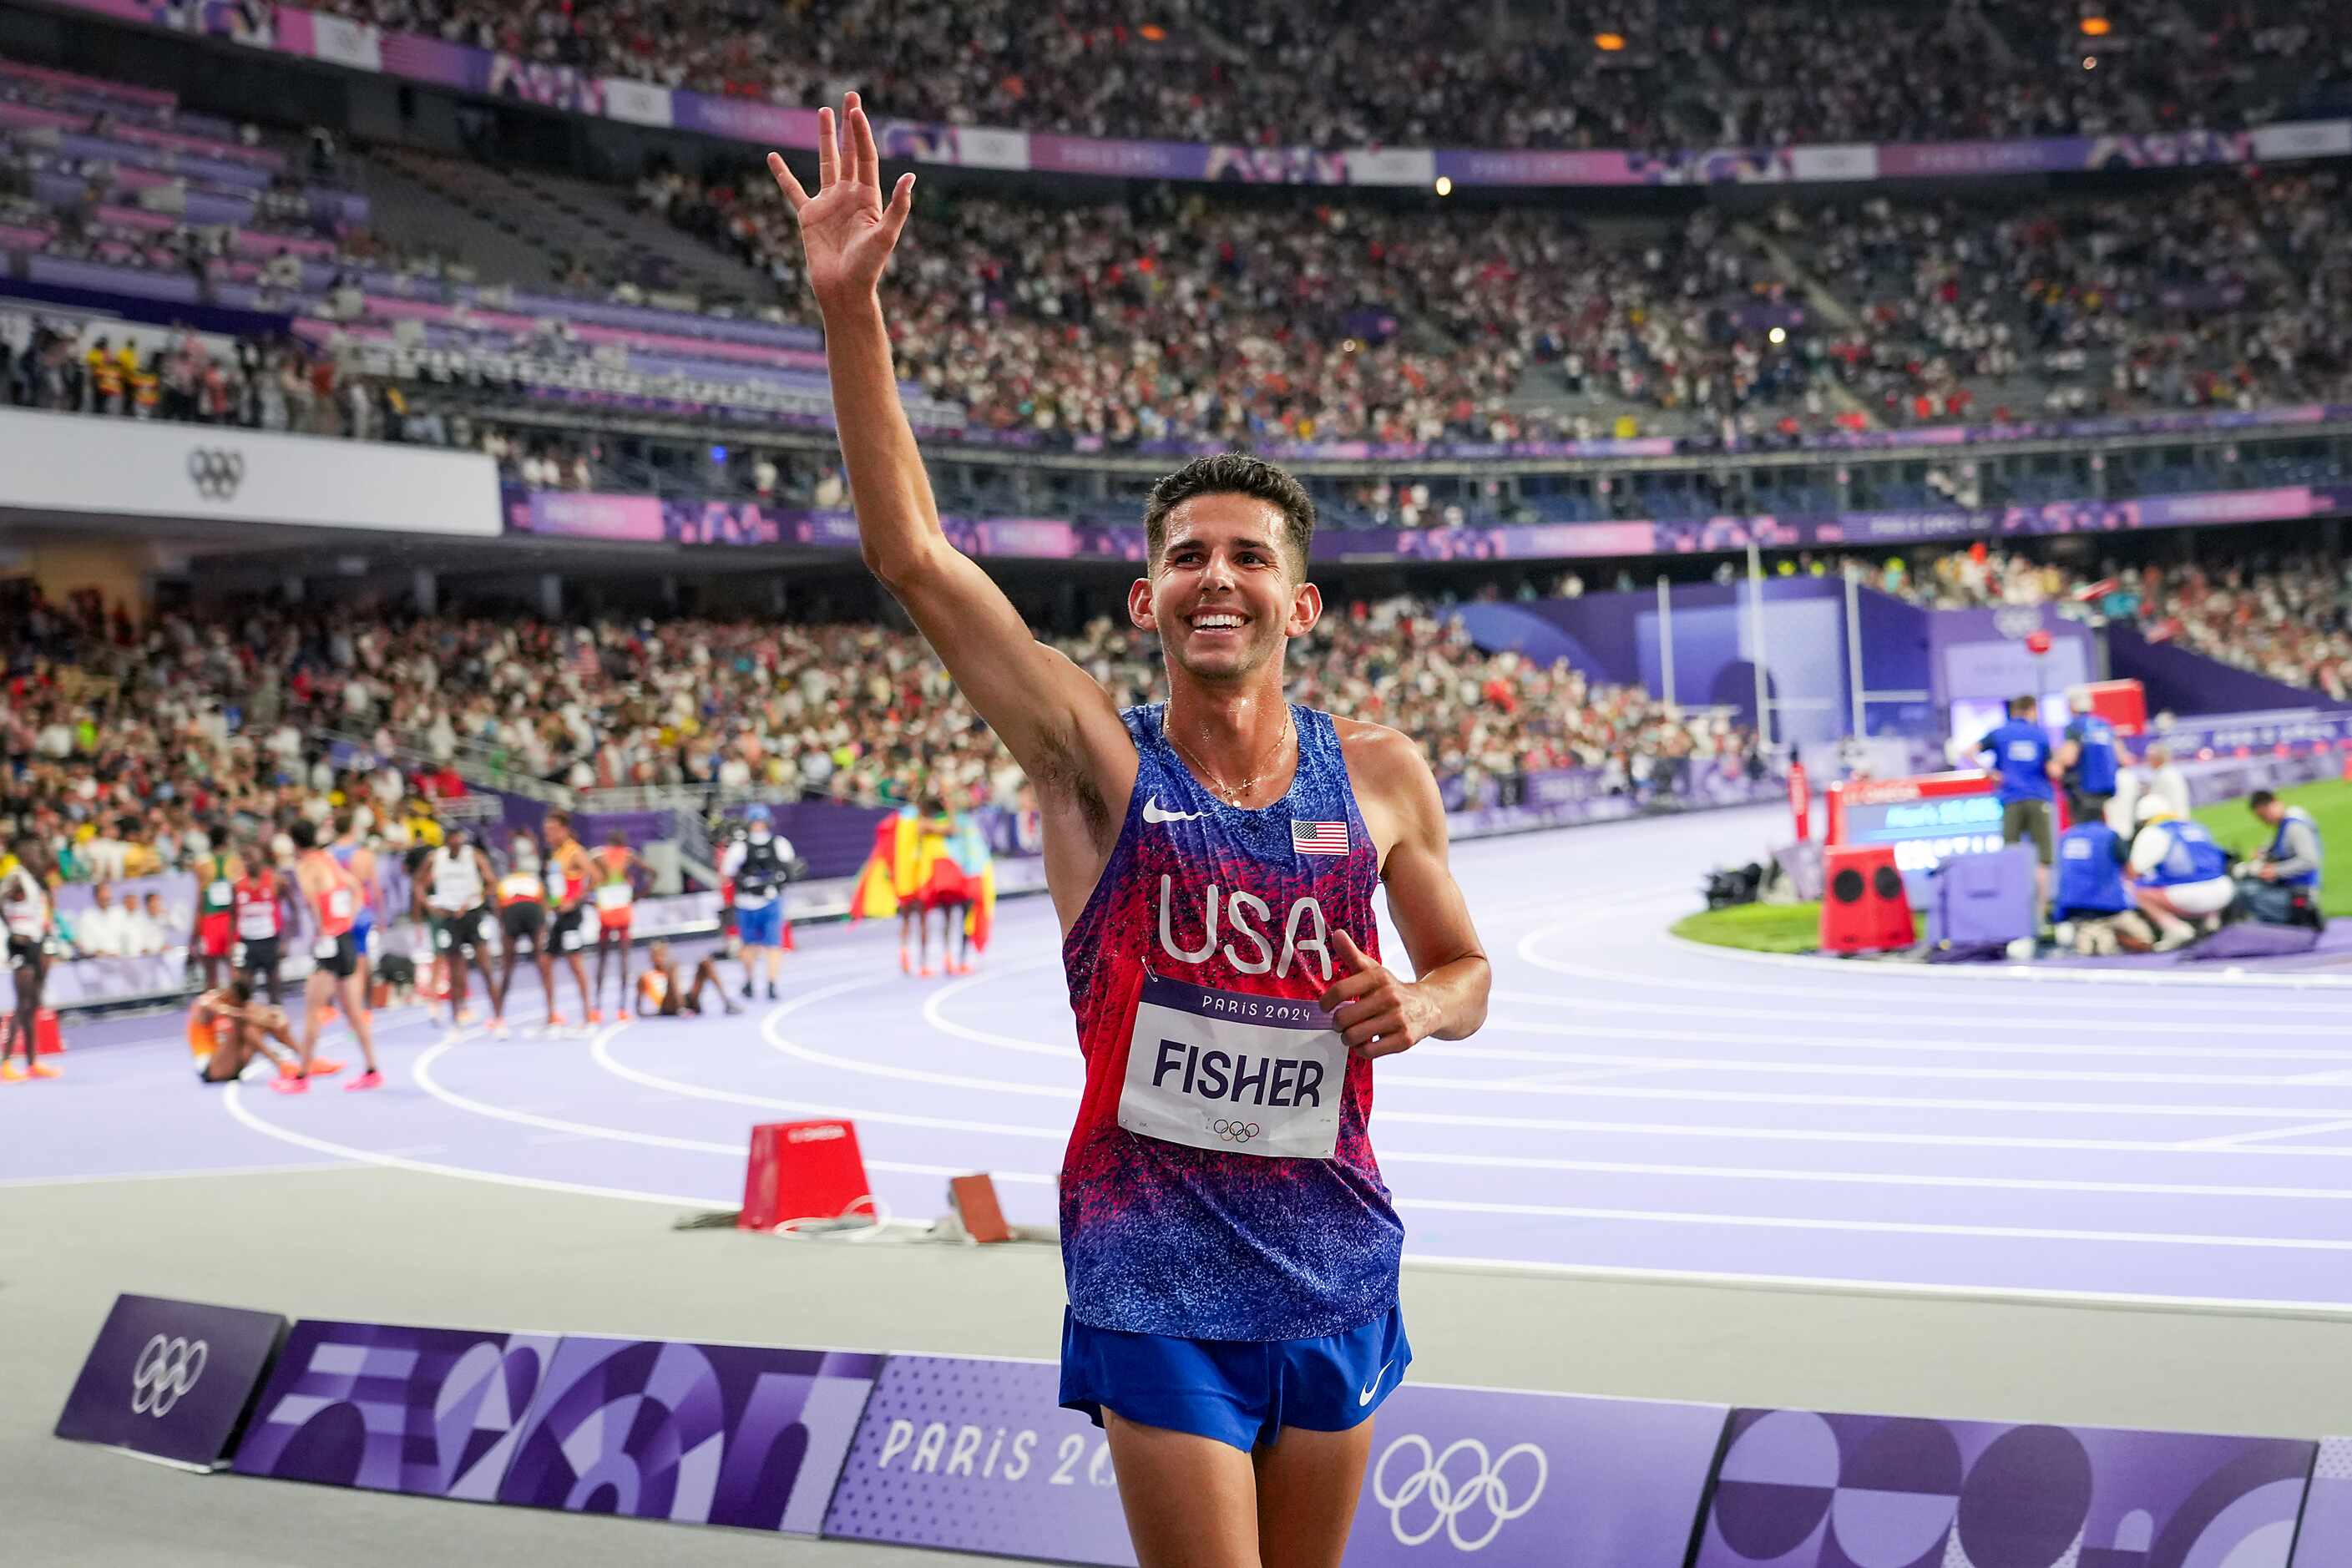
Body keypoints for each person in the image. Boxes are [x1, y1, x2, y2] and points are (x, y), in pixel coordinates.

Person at [771, 101, 1491, 1568]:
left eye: (1246, 557)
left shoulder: (1384, 773)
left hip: (1338, 1257)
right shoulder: (1096, 762)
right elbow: (912, 557)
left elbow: (1469, 965)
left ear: (1299, 605)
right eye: (1184, 557)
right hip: (1152, 1273)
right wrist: (852, 314)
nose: (1212, 576)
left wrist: (1419, 1000)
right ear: (1143, 602)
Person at [278, 819, 381, 1092]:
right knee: (353, 1011)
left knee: (313, 1010)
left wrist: (323, 930)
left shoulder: (306, 867)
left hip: (330, 942)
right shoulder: (329, 858)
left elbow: (312, 901)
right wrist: (348, 917)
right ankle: (372, 1070)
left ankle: (301, 1078)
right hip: (344, 938)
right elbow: (356, 887)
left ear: (295, 844)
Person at [416, 825, 504, 1034]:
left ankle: (498, 1019)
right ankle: (456, 1021)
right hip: (449, 917)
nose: (456, 842)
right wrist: (429, 905)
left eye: (459, 839)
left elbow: (492, 882)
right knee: (455, 974)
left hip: (472, 915)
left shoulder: (473, 855)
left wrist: (476, 899)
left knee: (486, 969)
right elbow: (418, 884)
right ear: (446, 840)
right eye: (452, 839)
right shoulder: (435, 858)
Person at [1975, 694, 2056, 921]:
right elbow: (2051, 769)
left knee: (2011, 856)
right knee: (2043, 858)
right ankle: (2039, 916)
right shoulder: (2039, 735)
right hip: (2037, 799)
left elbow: (1968, 751)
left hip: (2010, 799)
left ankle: (2013, 913)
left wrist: (1992, 773)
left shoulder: (2000, 733)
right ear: (2031, 710)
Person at [2127, 795, 2235, 951]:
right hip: (2224, 890)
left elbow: (2134, 870)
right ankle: (2211, 922)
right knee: (2206, 876)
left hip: (2189, 897)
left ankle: (2176, 929)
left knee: (2135, 889)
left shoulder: (2153, 832)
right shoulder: (2195, 826)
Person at [2050, 809, 2154, 954]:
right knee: (2146, 942)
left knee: (2092, 950)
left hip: (2073, 911)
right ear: (2104, 816)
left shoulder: (2066, 836)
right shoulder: (2109, 835)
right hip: (2109, 910)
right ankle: (2111, 936)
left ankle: (2097, 935)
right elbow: (2131, 872)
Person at [721, 804, 794, 1001]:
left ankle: (758, 982)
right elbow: (789, 872)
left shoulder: (740, 847)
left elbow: (727, 873)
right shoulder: (779, 843)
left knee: (756, 944)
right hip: (761, 900)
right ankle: (764, 982)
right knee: (767, 945)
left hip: (752, 901)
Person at [2, 837, 60, 1082]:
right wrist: (11, 926)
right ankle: (5, 1063)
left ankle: (33, 1062)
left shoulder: (36, 880)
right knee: (23, 1003)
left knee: (34, 1002)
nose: (40, 858)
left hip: (36, 942)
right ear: (25, 856)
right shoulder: (17, 876)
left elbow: (53, 862)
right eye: (35, 854)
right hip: (21, 944)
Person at [538, 810, 601, 1025]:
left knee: (575, 962)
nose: (548, 834)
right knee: (545, 961)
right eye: (546, 830)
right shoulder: (553, 854)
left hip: (572, 915)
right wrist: (550, 905)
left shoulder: (574, 852)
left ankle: (587, 1015)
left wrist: (574, 901)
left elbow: (596, 875)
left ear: (564, 830)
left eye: (552, 830)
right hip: (557, 916)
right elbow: (555, 886)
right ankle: (551, 1015)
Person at [493, 827, 559, 1029]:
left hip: (522, 904)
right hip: (522, 904)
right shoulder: (520, 873)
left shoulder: (518, 876)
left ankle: (501, 1017)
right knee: (529, 963)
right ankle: (547, 1014)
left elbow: (498, 910)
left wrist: (502, 927)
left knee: (523, 965)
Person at [2237, 789, 2325, 930]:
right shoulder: (2285, 824)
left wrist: (2276, 871)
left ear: (2271, 806)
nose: (2263, 821)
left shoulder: (2295, 826)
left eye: (2263, 816)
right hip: (2291, 888)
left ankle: (2302, 919)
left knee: (2246, 892)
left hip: (2301, 892)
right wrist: (2264, 853)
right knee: (2248, 885)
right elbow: (2273, 848)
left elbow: (2310, 861)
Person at [190, 978, 306, 1085]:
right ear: (232, 996)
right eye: (239, 1004)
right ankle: (281, 1065)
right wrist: (268, 1021)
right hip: (210, 1068)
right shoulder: (206, 1002)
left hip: (232, 1064)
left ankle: (306, 1059)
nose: (242, 1006)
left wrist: (275, 1019)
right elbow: (231, 1013)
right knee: (243, 1024)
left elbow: (268, 1014)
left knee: (255, 1025)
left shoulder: (238, 1003)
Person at [589, 832, 645, 1019]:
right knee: (623, 960)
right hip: (621, 911)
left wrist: (590, 898)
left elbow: (588, 872)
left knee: (602, 959)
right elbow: (653, 873)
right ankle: (621, 1008)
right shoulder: (628, 856)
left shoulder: (599, 856)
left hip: (607, 910)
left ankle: (597, 1008)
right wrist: (639, 894)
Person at [2054, 691, 2121, 834]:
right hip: (2105, 790)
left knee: (2084, 833)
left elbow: (2069, 759)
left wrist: (2056, 757)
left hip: (2082, 791)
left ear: (2071, 707)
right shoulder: (2104, 725)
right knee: (2101, 831)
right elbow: (2122, 756)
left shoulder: (2075, 727)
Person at [231, 850, 291, 1008]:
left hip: (269, 939)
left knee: (274, 987)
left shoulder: (275, 881)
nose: (249, 863)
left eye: (252, 859)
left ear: (261, 860)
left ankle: (278, 1021)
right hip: (247, 941)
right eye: (246, 860)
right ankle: (246, 1025)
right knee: (244, 988)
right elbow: (233, 916)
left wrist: (285, 939)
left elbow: (292, 907)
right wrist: (232, 944)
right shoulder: (237, 885)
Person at [633, 938, 742, 1018]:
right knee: (673, 966)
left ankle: (727, 1003)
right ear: (651, 957)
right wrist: (655, 1014)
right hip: (668, 1005)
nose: (660, 958)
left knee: (705, 962)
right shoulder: (645, 977)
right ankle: (682, 1008)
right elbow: (639, 1010)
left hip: (685, 998)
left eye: (662, 954)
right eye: (657, 955)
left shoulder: (669, 968)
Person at [189, 831, 242, 992]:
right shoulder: (236, 862)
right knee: (233, 966)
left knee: (211, 973)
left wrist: (195, 931)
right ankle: (238, 1006)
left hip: (210, 919)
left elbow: (200, 899)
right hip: (230, 919)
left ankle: (214, 1009)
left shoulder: (201, 865)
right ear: (226, 841)